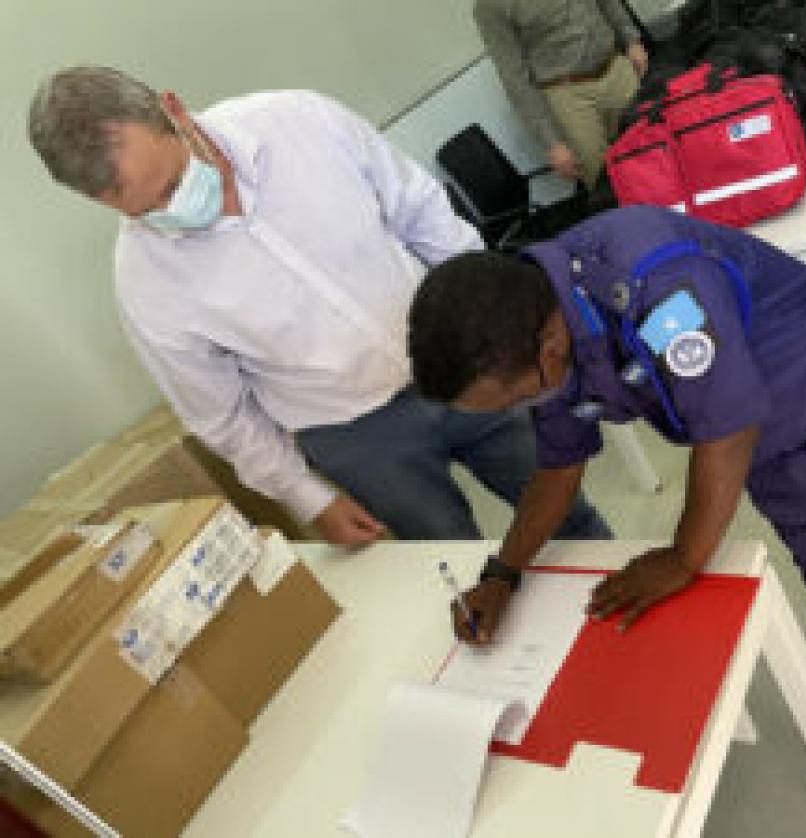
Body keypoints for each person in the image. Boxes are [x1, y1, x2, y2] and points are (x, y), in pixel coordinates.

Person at [408, 205, 806, 777]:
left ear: (547, 351)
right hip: (772, 445)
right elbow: (559, 468)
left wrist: (682, 559)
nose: (524, 407)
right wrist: (504, 573)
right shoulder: (540, 331)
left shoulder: (653, 280)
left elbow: (725, 432)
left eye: (517, 398)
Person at [27, 66, 609, 545]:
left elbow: (421, 213)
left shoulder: (299, 122)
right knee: (448, 561)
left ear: (174, 111)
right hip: (355, 434)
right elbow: (221, 414)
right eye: (146, 210)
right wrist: (308, 497)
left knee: (562, 509)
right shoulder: (144, 283)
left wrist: (499, 320)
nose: (175, 209)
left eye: (174, 181)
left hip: (463, 358)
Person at [474, 0, 648, 187]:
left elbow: (608, 3)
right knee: (605, 180)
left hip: (616, 70)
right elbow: (515, 78)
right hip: (568, 96)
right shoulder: (490, 7)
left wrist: (632, 41)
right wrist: (552, 143)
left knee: (653, 148)